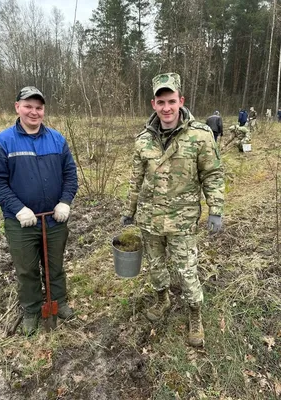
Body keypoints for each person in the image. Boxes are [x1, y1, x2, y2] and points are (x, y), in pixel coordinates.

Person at [121, 73, 224, 347]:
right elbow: (135, 178)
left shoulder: (200, 135)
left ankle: (195, 315)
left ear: (181, 101)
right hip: (150, 219)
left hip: (183, 220)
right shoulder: (143, 139)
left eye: (171, 101)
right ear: (153, 104)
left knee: (187, 271)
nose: (166, 108)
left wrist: (215, 208)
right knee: (155, 266)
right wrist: (129, 209)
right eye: (161, 102)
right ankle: (162, 299)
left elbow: (212, 174)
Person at [0, 86, 78, 335]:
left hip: (54, 219)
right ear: (17, 108)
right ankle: (31, 309)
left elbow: (70, 175)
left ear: (43, 110)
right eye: (28, 106)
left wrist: (65, 201)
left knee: (55, 264)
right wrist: (17, 209)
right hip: (21, 221)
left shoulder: (57, 140)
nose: (34, 112)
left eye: (38, 107)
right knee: (26, 268)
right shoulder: (3, 141)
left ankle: (59, 302)